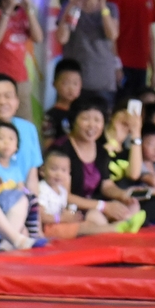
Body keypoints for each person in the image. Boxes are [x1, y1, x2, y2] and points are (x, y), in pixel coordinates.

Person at [56, 92, 137, 225]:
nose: (92, 125)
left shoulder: (101, 151)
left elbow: (106, 185)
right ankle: (116, 229)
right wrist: (103, 206)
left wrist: (123, 195)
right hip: (69, 207)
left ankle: (117, 227)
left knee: (133, 207)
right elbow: (64, 196)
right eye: (86, 119)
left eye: (97, 120)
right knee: (96, 217)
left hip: (95, 203)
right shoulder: (61, 149)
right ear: (74, 120)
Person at [54, 0, 121, 99]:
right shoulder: (70, 7)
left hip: (102, 79)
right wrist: (71, 7)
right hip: (73, 80)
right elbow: (62, 38)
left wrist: (102, 4)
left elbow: (112, 34)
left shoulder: (110, 8)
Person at [105, 0, 155, 100]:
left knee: (138, 110)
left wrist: (154, 70)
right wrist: (116, 65)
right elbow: (110, 34)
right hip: (122, 65)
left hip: (142, 66)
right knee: (120, 107)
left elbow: (150, 36)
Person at [0, 74, 44, 181]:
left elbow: (32, 175)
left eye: (8, 96)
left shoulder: (28, 129)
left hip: (22, 195)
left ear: (17, 102)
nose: (2, 102)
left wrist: (33, 197)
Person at [43, 59, 83, 144]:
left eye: (75, 84)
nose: (71, 88)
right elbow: (48, 145)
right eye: (65, 83)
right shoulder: (50, 116)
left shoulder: (83, 112)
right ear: (54, 84)